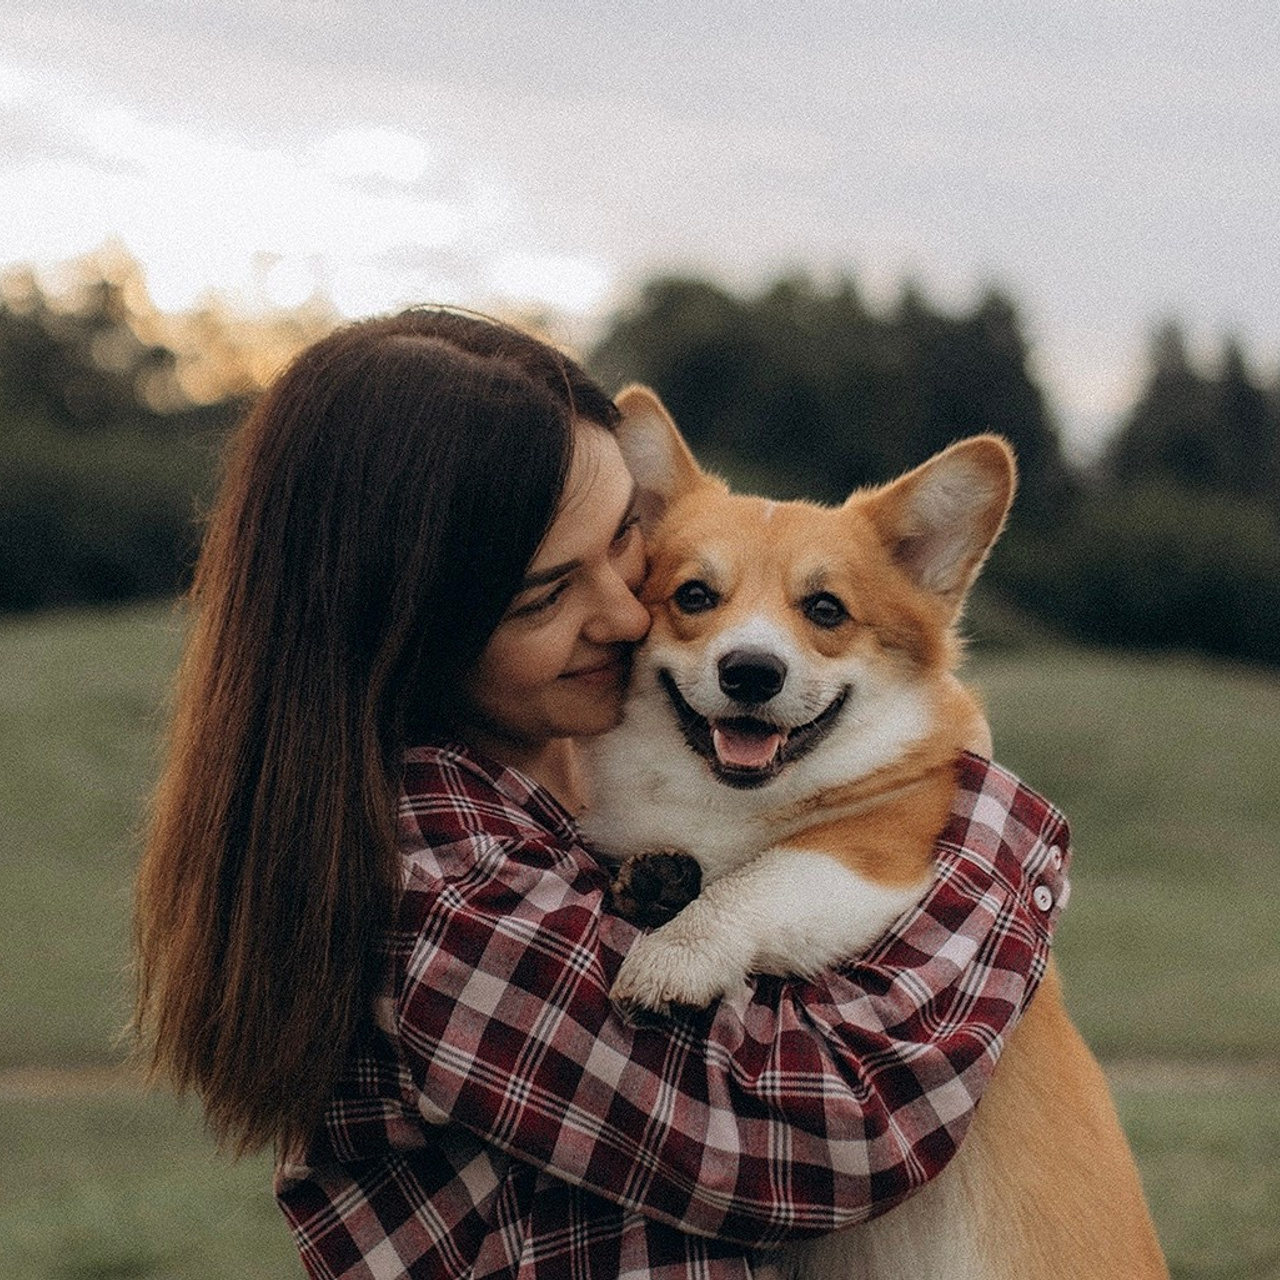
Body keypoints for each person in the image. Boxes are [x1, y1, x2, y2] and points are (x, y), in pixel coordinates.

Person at [133, 308, 1071, 1279]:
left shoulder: (527, 806)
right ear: (405, 625)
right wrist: (982, 822)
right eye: (547, 594)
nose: (630, 610)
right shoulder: (451, 898)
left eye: (624, 543)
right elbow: (823, 1142)